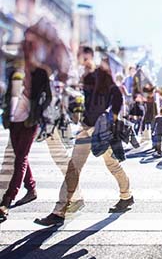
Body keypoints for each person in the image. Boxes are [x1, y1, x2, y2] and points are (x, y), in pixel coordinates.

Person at [35, 47, 133, 226]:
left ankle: (126, 196)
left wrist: (112, 119)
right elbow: (84, 102)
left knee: (112, 164)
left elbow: (117, 95)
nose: (84, 61)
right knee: (74, 168)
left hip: (101, 131)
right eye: (81, 59)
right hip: (86, 128)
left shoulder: (102, 74)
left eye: (85, 58)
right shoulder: (84, 78)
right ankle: (59, 211)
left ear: (91, 57)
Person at [0, 41, 52, 219]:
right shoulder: (14, 71)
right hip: (14, 120)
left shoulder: (41, 72)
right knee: (20, 156)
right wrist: (7, 116)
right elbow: (8, 95)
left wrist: (37, 114)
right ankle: (31, 188)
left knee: (20, 158)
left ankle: (7, 200)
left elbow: (48, 98)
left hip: (29, 121)